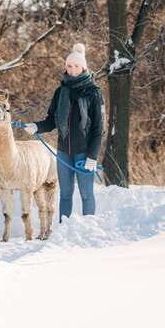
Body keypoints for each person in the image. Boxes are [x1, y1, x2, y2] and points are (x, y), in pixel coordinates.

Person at [22, 43, 103, 221]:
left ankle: (89, 230)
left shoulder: (93, 93)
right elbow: (51, 120)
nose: (72, 69)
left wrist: (92, 156)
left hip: (84, 153)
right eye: (69, 65)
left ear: (83, 67)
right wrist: (37, 126)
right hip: (63, 151)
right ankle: (63, 231)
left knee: (86, 194)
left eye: (76, 65)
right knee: (65, 194)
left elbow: (98, 128)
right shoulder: (60, 92)